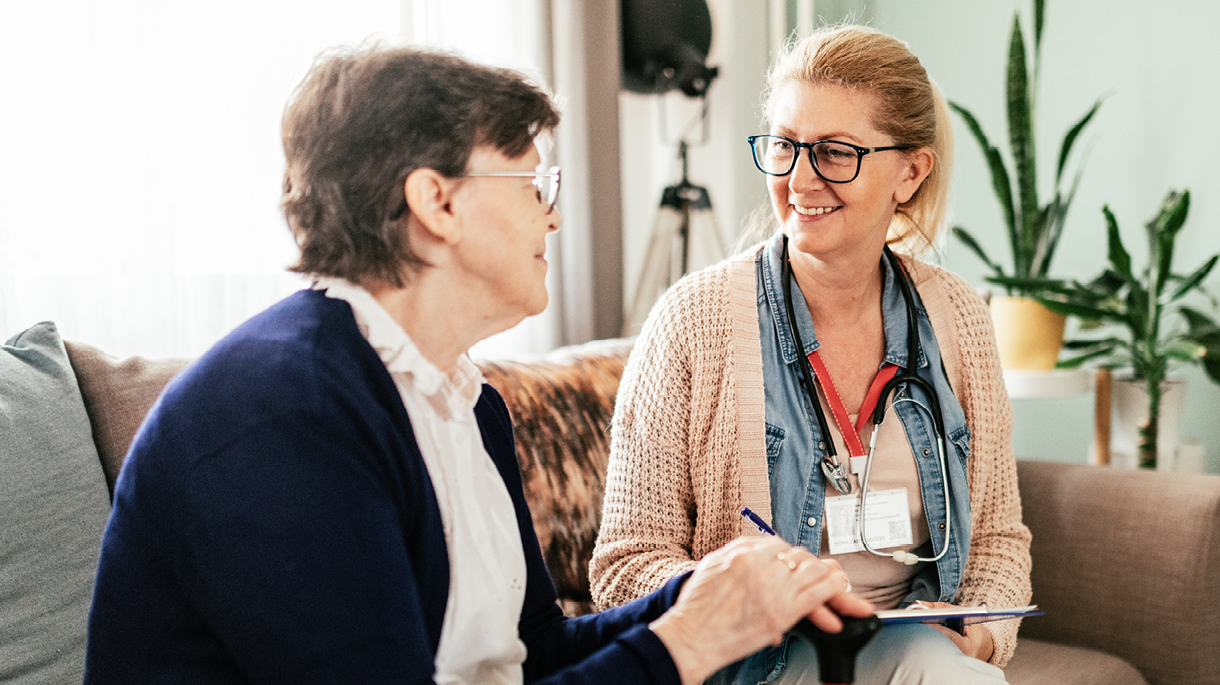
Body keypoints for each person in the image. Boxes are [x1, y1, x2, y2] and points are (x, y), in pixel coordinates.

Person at [82, 45, 873, 685]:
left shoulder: (464, 400)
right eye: (535, 182)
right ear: (437, 204)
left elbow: (530, 654)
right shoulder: (284, 414)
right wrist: (686, 643)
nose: (555, 214)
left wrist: (700, 593)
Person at [591, 25, 1032, 684]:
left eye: (833, 152)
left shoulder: (959, 317)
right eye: (784, 147)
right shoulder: (692, 321)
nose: (799, 178)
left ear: (910, 172)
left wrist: (980, 635)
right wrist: (756, 594)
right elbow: (625, 564)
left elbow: (999, 535)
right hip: (752, 664)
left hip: (915, 650)